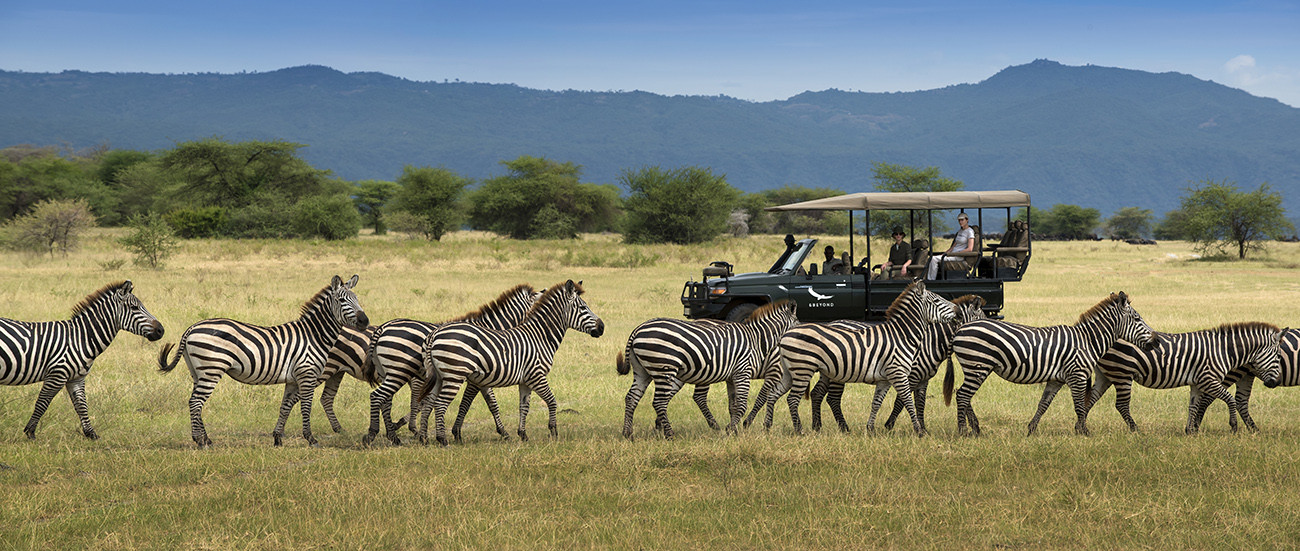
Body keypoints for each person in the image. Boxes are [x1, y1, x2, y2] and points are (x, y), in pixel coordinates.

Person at [926, 213, 975, 279]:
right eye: (959, 220)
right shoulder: (960, 231)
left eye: (962, 220)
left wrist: (957, 253)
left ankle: (931, 280)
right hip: (953, 254)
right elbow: (953, 246)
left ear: (967, 220)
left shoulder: (970, 231)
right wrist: (945, 253)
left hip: (959, 256)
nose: (960, 222)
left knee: (933, 259)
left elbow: (970, 249)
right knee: (933, 258)